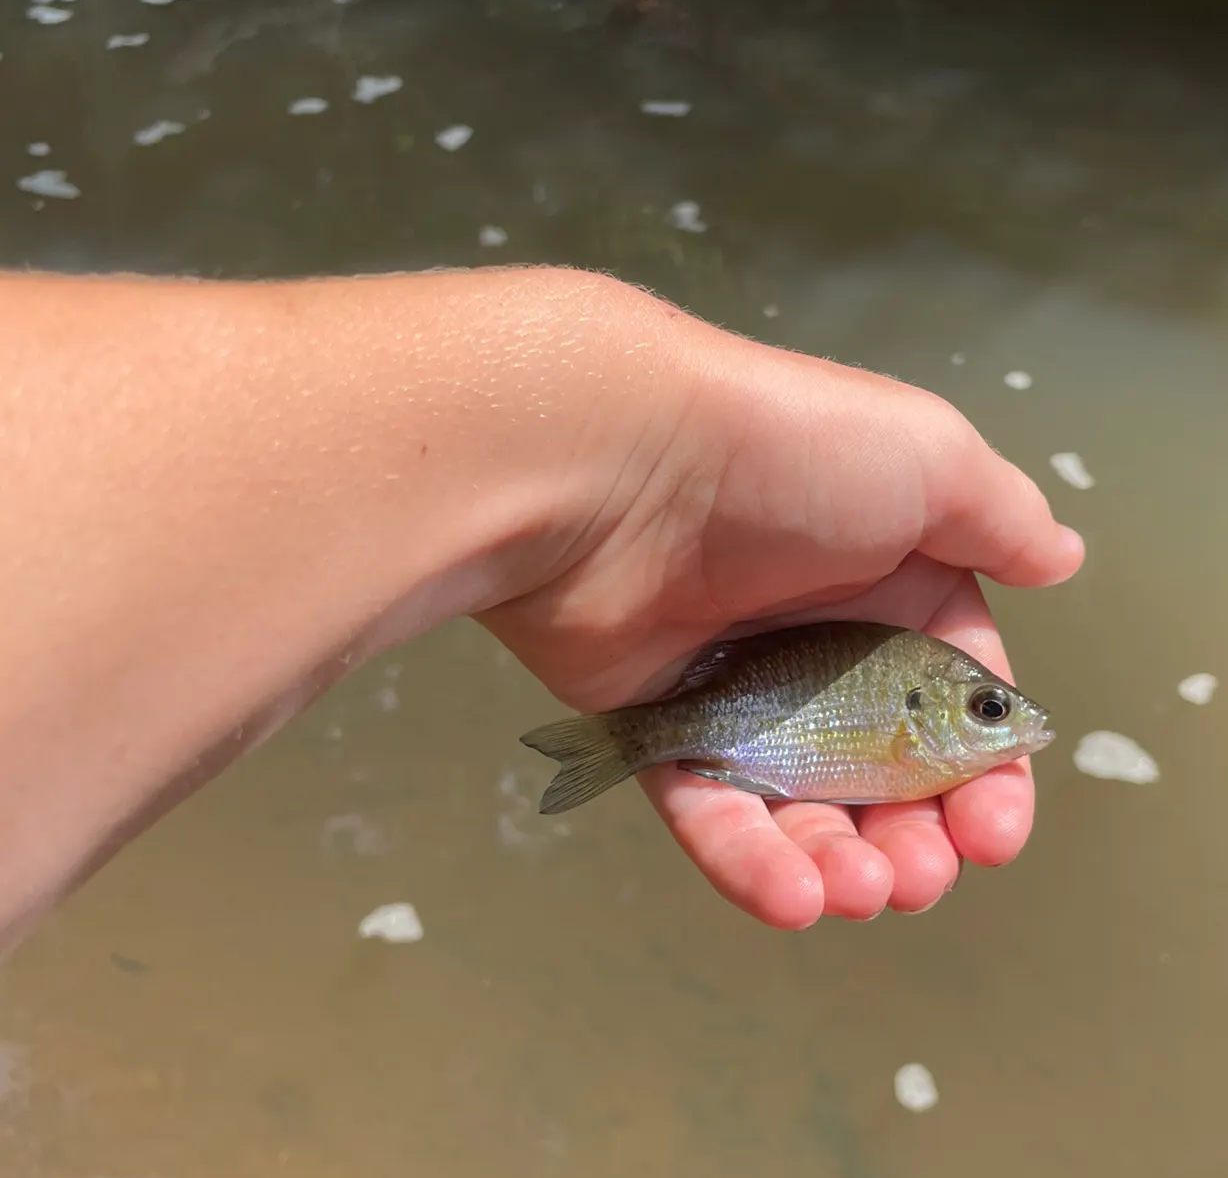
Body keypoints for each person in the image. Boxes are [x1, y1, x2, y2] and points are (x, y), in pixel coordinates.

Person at [0, 264, 1083, 952]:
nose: (1009, 721)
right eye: (989, 712)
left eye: (990, 711)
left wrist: (618, 458)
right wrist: (627, 461)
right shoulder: (904, 706)